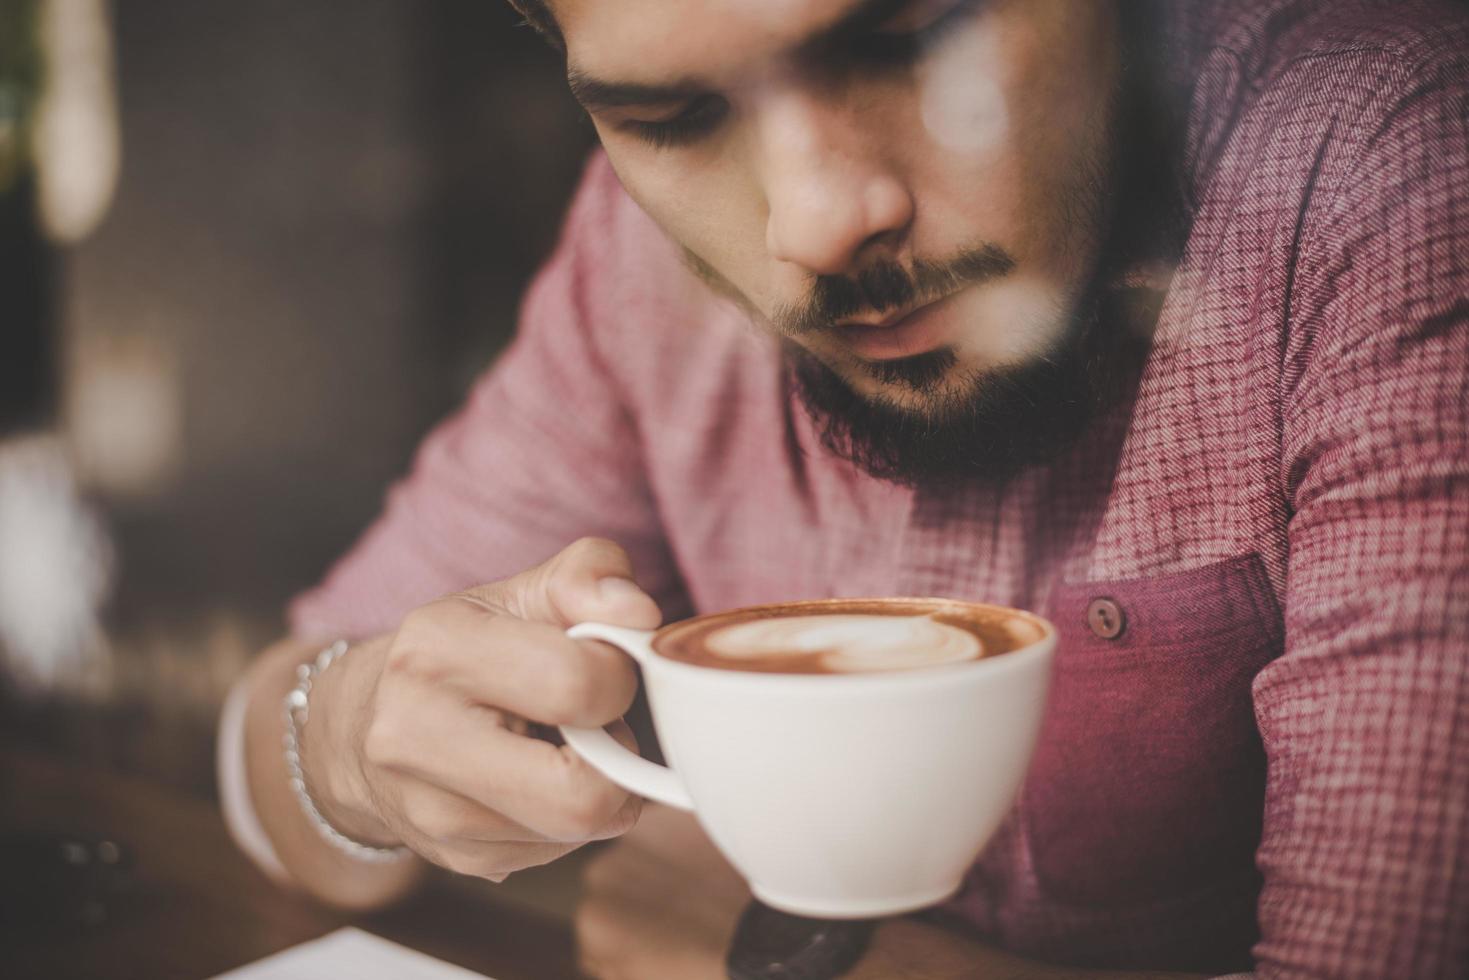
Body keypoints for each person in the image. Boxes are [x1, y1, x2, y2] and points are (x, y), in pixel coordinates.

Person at [218, 0, 1469, 976]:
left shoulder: (1387, 157)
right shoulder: (634, 255)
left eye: (906, 44)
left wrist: (805, 961)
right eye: (673, 116)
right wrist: (348, 743)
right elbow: (279, 761)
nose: (813, 222)